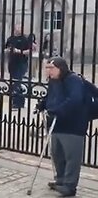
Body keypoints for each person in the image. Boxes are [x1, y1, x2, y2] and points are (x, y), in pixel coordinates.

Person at [37, 57, 88, 197]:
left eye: (52, 68)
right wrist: (42, 104)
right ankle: (60, 180)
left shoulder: (73, 80)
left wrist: (58, 110)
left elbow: (75, 100)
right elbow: (51, 96)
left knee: (71, 157)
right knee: (57, 154)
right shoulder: (54, 81)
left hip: (72, 125)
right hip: (56, 124)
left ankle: (70, 186)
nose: (49, 71)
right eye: (47, 68)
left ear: (61, 68)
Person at [5, 24, 32, 110]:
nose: (19, 29)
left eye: (21, 27)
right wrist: (8, 51)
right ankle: (18, 102)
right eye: (18, 27)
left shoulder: (25, 39)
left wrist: (19, 51)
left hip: (22, 63)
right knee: (14, 82)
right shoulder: (10, 38)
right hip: (12, 63)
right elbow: (5, 49)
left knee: (18, 82)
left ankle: (17, 103)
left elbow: (30, 51)